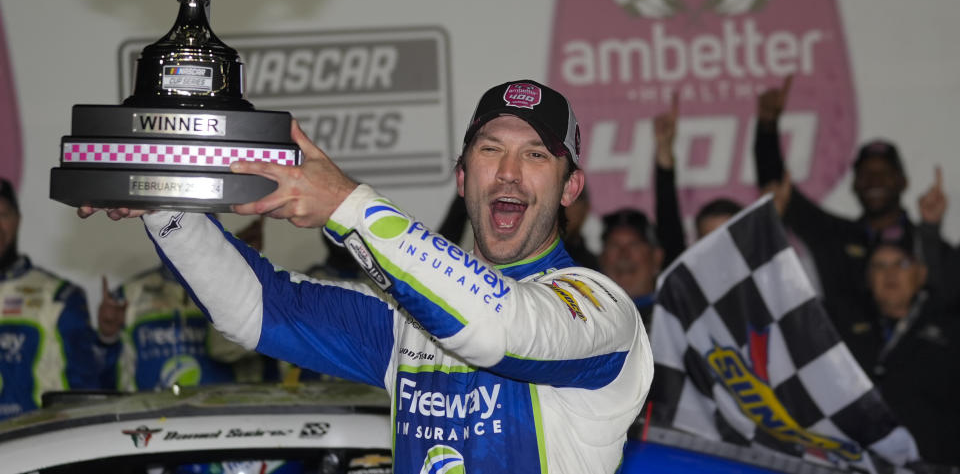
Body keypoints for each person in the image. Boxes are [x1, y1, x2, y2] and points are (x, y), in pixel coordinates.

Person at [81, 79, 653, 474]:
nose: (507, 172)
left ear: (570, 188)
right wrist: (163, 206)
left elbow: (496, 328)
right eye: (490, 149)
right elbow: (256, 308)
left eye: (535, 156)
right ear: (462, 178)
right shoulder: (413, 318)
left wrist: (345, 205)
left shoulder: (602, 310)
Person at [754, 75, 955, 315]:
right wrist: (767, 126)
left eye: (884, 174)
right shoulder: (833, 236)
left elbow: (947, 301)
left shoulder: (926, 244)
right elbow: (778, 190)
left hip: (916, 352)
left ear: (903, 182)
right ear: (854, 186)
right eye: (866, 175)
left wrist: (930, 228)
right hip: (843, 350)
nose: (875, 181)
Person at [97, 216, 279, 390]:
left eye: (201, 224)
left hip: (222, 417)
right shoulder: (129, 294)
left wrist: (242, 268)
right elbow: (101, 376)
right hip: (148, 418)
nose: (188, 234)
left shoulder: (237, 289)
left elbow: (265, 362)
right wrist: (107, 336)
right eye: (178, 222)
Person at [832, 228, 960, 466]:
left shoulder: (951, 330)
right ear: (868, 279)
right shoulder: (842, 326)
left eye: (901, 264)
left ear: (921, 274)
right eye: (879, 266)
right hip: (852, 463)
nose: (890, 273)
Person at [0, 178, 100, 420]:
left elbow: (88, 391)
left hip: (35, 448)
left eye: (2, 214)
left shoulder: (58, 296)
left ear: (18, 220)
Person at [598, 207, 662, 328]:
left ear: (656, 258)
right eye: (614, 246)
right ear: (602, 258)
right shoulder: (583, 316)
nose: (624, 255)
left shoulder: (676, 317)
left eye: (634, 245)